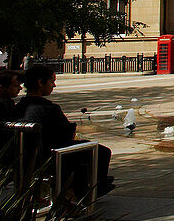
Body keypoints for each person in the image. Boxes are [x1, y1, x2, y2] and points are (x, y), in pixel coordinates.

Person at [16, 65, 114, 197]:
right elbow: (67, 134)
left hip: (20, 159)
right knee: (99, 151)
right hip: (47, 159)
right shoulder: (49, 109)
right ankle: (90, 190)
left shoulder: (17, 107)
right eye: (52, 81)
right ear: (40, 82)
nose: (54, 85)